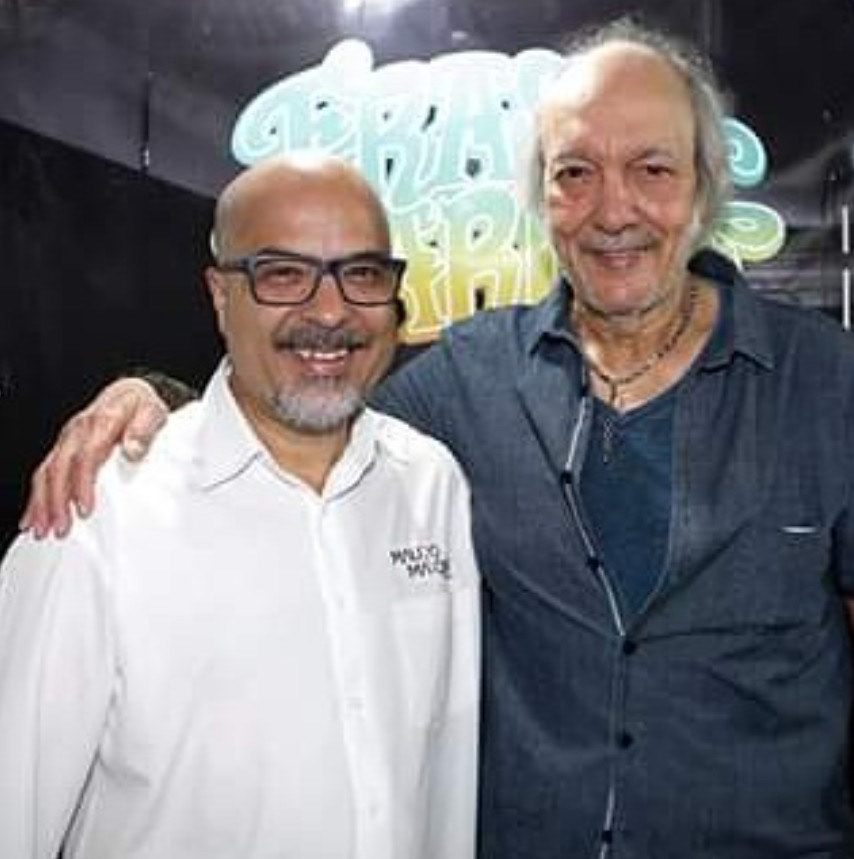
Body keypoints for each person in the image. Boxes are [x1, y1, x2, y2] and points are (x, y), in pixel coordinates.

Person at [17, 17, 854, 859]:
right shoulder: (468, 380)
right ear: (540, 195)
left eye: (652, 169)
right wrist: (152, 401)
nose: (613, 209)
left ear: (705, 186)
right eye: (575, 172)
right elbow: (304, 396)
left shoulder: (828, 383)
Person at [0, 153, 480, 858]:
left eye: (363, 273)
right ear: (221, 296)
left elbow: (446, 785)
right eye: (282, 274)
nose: (330, 311)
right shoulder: (99, 510)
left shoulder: (432, 484)